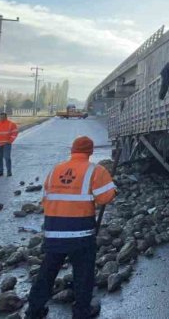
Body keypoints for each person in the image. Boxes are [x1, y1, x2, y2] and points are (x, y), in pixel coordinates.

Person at [25, 136, 116, 319]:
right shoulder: (95, 171)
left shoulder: (55, 170)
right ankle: (81, 312)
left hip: (54, 231)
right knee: (83, 274)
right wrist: (112, 188)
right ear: (90, 152)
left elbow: (46, 198)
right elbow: (105, 198)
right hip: (80, 232)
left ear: (72, 150)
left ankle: (34, 310)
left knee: (47, 272)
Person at [0, 112, 19, 177]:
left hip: (7, 144)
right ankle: (0, 171)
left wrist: (10, 141)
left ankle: (9, 172)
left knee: (7, 157)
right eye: (0, 117)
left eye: (2, 117)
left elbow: (15, 133)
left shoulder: (11, 124)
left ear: (6, 117)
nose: (1, 118)